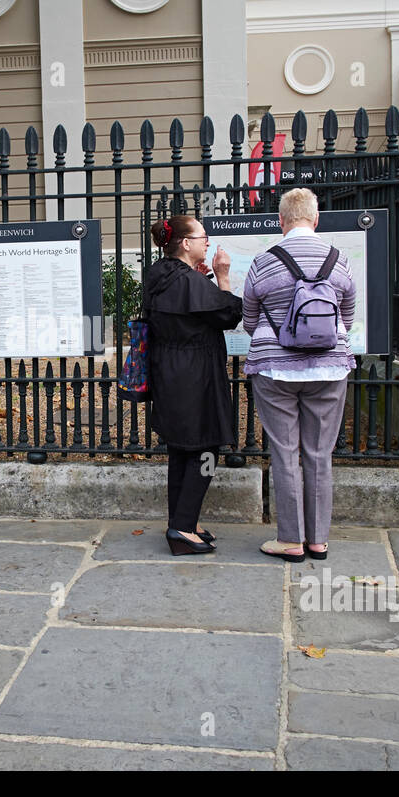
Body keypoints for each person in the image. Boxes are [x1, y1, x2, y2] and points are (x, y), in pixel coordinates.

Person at [243, 188, 356, 562]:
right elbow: (347, 316)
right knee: (320, 453)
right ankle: (318, 540)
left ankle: (290, 539)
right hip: (329, 366)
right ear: (316, 218)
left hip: (275, 368)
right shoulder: (339, 261)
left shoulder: (264, 261)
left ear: (281, 221)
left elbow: (249, 319)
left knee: (285, 451)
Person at [143, 214, 242, 555]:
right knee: (205, 448)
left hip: (168, 371)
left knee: (180, 449)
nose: (207, 242)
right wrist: (224, 276)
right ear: (186, 244)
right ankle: (182, 529)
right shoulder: (192, 282)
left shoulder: (159, 275)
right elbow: (230, 313)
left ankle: (184, 520)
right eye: (202, 237)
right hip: (196, 375)